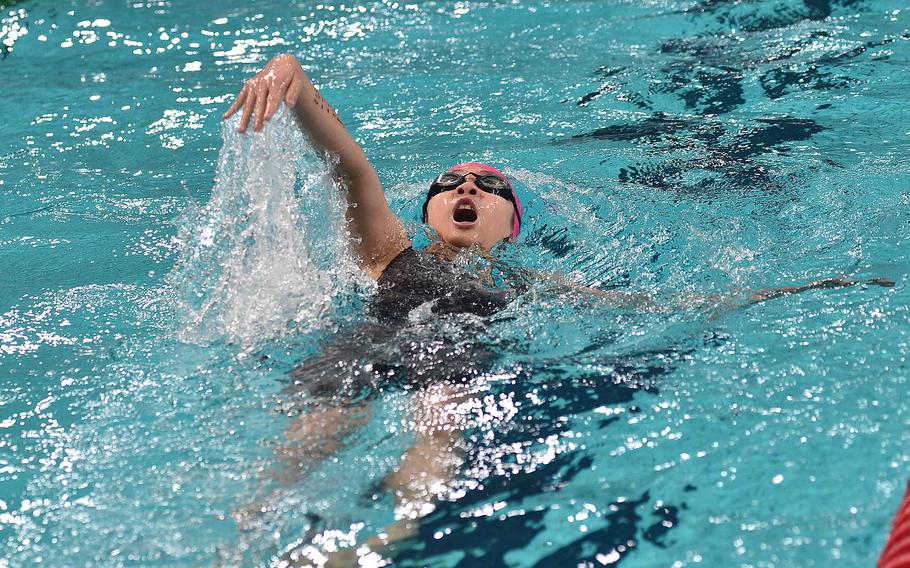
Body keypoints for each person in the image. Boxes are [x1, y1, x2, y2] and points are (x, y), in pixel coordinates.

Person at [222, 53, 895, 565]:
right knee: (304, 445)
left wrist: (800, 291)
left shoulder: (530, 289)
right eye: (450, 183)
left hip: (448, 364)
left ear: (509, 223)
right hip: (360, 346)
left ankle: (382, 542)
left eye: (488, 188)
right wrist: (295, 80)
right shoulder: (385, 251)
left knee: (439, 437)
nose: (467, 188)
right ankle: (243, 541)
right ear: (428, 210)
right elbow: (349, 164)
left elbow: (668, 305)